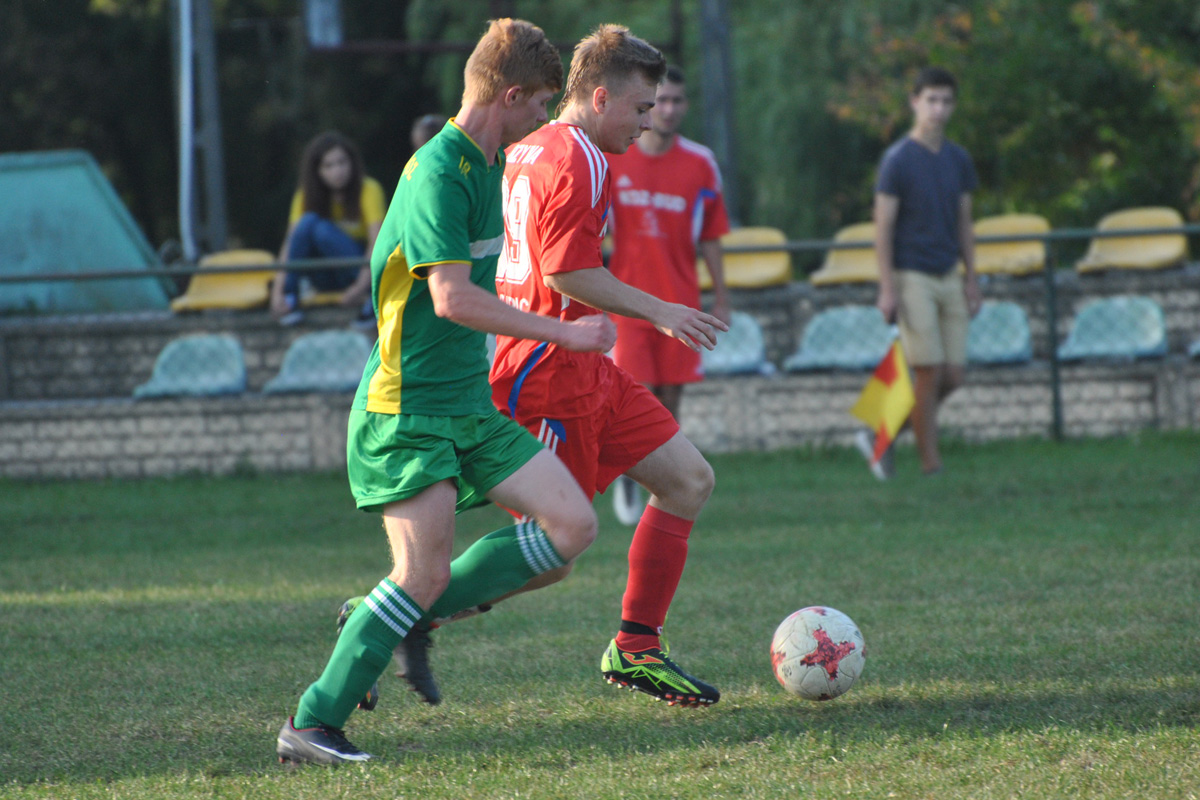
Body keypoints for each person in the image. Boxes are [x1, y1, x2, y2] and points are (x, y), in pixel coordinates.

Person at [275, 18, 616, 766]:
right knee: (423, 573)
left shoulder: (491, 167)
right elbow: (453, 299)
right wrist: (563, 333)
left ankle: (384, 616)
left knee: (569, 530)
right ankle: (311, 723)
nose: (544, 118)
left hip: (468, 406)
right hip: (408, 410)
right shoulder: (437, 172)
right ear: (510, 95)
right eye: (539, 104)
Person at [487, 24, 726, 708]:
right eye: (641, 108)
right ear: (600, 97)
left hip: (585, 366)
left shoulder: (528, 146)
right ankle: (399, 612)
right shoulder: (582, 157)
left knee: (688, 480)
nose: (647, 121)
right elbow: (565, 272)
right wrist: (661, 310)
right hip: (548, 373)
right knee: (551, 550)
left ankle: (637, 648)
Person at [605, 64, 731, 524]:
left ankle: (663, 486)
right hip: (629, 303)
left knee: (671, 402)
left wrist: (722, 295)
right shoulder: (615, 157)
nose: (670, 109)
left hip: (681, 303)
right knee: (636, 396)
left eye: (678, 100)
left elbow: (712, 235)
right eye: (661, 101)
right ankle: (628, 480)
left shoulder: (700, 163)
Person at [868, 66, 980, 478]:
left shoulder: (958, 159)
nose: (938, 109)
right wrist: (887, 288)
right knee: (928, 370)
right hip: (910, 274)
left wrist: (972, 277)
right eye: (931, 100)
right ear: (915, 102)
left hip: (949, 272)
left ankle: (880, 432)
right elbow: (883, 227)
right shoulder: (897, 160)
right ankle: (931, 464)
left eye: (946, 101)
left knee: (954, 375)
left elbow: (964, 222)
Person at [269, 131, 384, 326]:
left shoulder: (369, 189)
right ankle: (290, 298)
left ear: (352, 163)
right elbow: (290, 244)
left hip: (359, 271)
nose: (337, 171)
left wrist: (360, 287)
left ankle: (371, 297)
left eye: (342, 162)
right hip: (324, 274)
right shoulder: (304, 195)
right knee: (309, 222)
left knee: (320, 230)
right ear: (317, 171)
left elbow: (377, 244)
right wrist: (277, 292)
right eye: (328, 165)